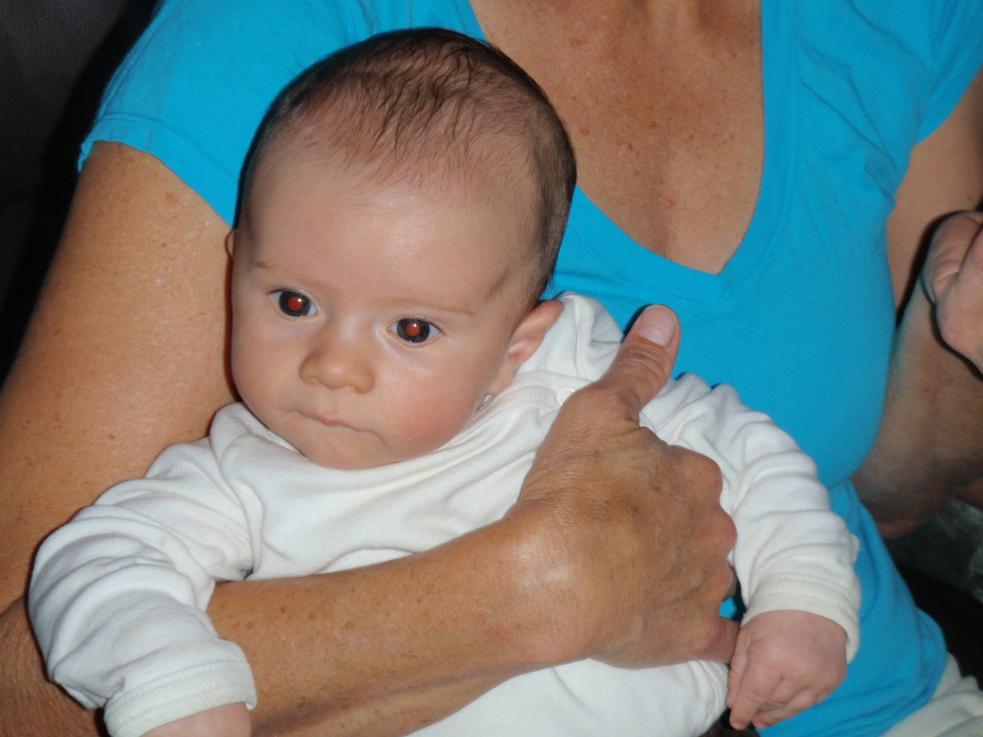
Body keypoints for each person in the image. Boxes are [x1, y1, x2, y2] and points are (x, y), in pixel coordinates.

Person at [1, 2, 982, 736]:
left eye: (412, 328)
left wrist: (805, 596)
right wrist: (177, 686)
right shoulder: (239, 472)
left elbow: (805, 468)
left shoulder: (562, 372)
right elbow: (88, 578)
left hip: (867, 697)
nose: (333, 365)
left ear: (517, 342)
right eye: (293, 303)